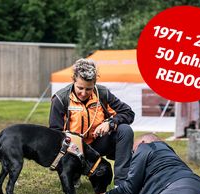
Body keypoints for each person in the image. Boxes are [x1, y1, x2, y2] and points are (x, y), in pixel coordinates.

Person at [49, 58, 135, 186]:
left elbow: (128, 113)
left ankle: (122, 183)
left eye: (88, 89)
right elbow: (54, 133)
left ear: (95, 83)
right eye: (80, 88)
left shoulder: (103, 93)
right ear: (73, 80)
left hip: (97, 144)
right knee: (71, 177)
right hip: (72, 149)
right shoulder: (60, 99)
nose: (84, 93)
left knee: (125, 130)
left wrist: (111, 123)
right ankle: (74, 172)